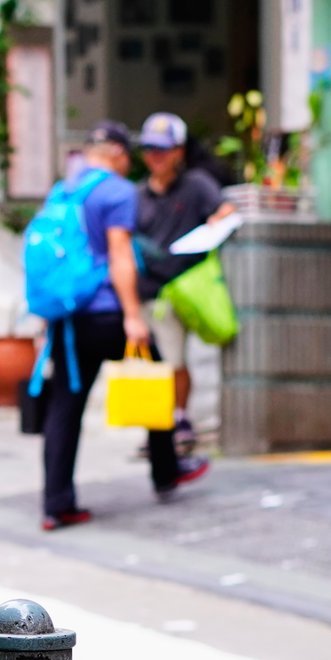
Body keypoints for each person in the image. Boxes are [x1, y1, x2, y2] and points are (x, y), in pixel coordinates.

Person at [32, 122, 152, 531]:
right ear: (118, 152)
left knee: (65, 406)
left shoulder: (63, 191)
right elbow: (120, 254)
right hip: (104, 311)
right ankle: (168, 467)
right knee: (154, 368)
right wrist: (133, 315)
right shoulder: (118, 190)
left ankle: (56, 505)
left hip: (67, 318)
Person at [132, 111, 229, 493]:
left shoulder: (197, 186)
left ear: (179, 151)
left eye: (163, 149)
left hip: (180, 290)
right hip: (144, 292)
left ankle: (177, 420)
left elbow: (224, 211)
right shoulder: (136, 195)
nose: (155, 157)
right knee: (147, 369)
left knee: (173, 362)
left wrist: (213, 224)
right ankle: (157, 431)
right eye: (150, 150)